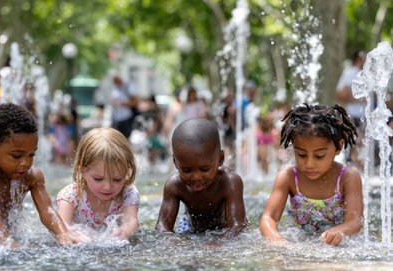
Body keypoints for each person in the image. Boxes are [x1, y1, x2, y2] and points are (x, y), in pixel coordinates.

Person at [0, 103, 81, 249]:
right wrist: (5, 240)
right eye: (16, 156)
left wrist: (63, 233)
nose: (26, 163)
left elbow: (47, 209)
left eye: (31, 154)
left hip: (5, 231)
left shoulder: (32, 176)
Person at [260, 104, 363, 246]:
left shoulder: (348, 177)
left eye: (319, 156)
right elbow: (268, 217)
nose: (309, 164)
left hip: (337, 247)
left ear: (338, 147)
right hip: (299, 244)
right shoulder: (289, 177)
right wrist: (275, 238)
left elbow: (355, 221)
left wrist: (340, 231)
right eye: (301, 155)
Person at [155, 118, 248, 239]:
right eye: (186, 170)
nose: (196, 177)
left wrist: (218, 244)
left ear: (220, 159)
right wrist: (171, 242)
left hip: (224, 231)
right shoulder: (174, 185)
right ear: (175, 162)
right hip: (190, 229)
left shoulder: (229, 181)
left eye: (205, 169)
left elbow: (237, 226)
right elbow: (162, 226)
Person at [56, 127, 140, 241]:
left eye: (117, 179)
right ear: (83, 171)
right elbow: (60, 226)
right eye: (98, 179)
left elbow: (131, 222)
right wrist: (70, 234)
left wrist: (125, 230)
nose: (107, 187)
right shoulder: (71, 196)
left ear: (126, 173)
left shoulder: (127, 193)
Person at [336, 50, 367, 168]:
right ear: (359, 59)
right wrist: (362, 99)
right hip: (354, 116)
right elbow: (341, 95)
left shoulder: (360, 73)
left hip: (361, 116)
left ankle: (357, 169)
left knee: (360, 143)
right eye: (366, 58)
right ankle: (350, 169)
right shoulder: (351, 73)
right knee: (355, 143)